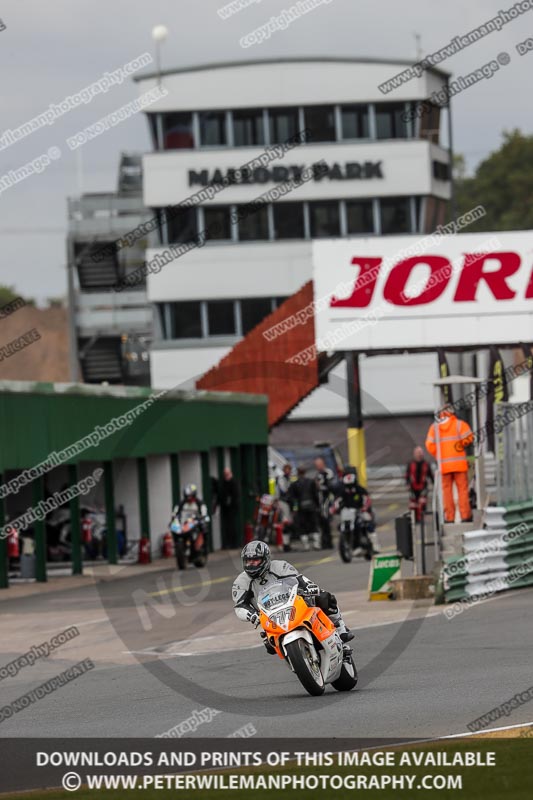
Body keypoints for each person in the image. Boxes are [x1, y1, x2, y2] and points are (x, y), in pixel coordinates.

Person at [232, 540, 354, 655]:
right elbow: (240, 606)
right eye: (248, 561)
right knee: (270, 647)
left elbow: (299, 579)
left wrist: (310, 586)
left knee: (324, 597)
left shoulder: (280, 566)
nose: (251, 564)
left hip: (293, 604)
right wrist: (252, 615)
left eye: (255, 560)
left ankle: (340, 628)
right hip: (269, 617)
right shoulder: (240, 582)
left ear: (265, 559)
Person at [425, 405, 474, 523]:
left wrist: (440, 455)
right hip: (459, 464)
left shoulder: (434, 427)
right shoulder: (459, 424)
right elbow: (469, 439)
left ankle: (450, 517)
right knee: (462, 490)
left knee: (447, 492)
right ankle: (465, 516)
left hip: (444, 466)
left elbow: (429, 445)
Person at [287, 465, 321, 550]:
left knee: (302, 526)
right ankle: (316, 544)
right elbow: (315, 495)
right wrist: (317, 506)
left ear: (298, 473)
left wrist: (293, 509)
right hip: (311, 506)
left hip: (301, 507)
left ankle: (306, 545)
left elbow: (291, 498)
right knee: (314, 525)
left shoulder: (294, 484)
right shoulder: (311, 482)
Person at [405, 445, 434, 522]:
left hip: (423, 487)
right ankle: (414, 519)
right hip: (413, 488)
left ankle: (421, 519)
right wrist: (407, 484)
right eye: (417, 453)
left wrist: (434, 483)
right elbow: (407, 475)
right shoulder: (410, 464)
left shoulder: (426, 464)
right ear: (414, 454)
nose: (419, 454)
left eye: (420, 453)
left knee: (422, 503)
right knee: (413, 504)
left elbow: (430, 475)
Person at [313, 456, 336, 549]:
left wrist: (320, 486)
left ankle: (328, 542)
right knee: (321, 523)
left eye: (319, 464)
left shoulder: (328, 473)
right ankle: (324, 542)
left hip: (327, 500)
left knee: (326, 521)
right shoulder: (317, 474)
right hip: (320, 501)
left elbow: (330, 486)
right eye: (316, 465)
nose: (318, 466)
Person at [218, 467, 241, 548]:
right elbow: (221, 494)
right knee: (226, 526)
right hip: (225, 507)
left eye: (227, 473)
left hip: (232, 507)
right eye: (225, 474)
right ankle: (227, 543)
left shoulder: (233, 482)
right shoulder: (223, 482)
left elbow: (236, 495)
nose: (226, 475)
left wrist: (232, 504)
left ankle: (234, 543)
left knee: (232, 525)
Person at [275, 463, 295, 552]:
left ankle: (287, 543)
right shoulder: (282, 478)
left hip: (288, 502)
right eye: (287, 470)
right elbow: (284, 490)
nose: (289, 471)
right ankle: (285, 544)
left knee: (288, 522)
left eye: (289, 470)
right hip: (283, 502)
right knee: (285, 522)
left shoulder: (289, 479)